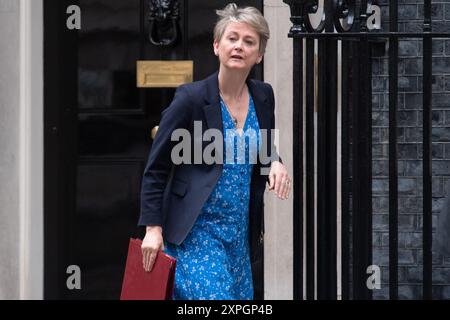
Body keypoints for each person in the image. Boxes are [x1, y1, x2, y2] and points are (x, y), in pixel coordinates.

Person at [138, 3, 291, 300]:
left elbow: (262, 148)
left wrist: (275, 162)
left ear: (259, 54)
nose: (239, 46)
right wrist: (152, 229)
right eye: (232, 38)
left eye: (249, 41)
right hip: (195, 234)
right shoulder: (190, 99)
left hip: (238, 236)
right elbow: (156, 169)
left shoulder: (263, 96)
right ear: (216, 46)